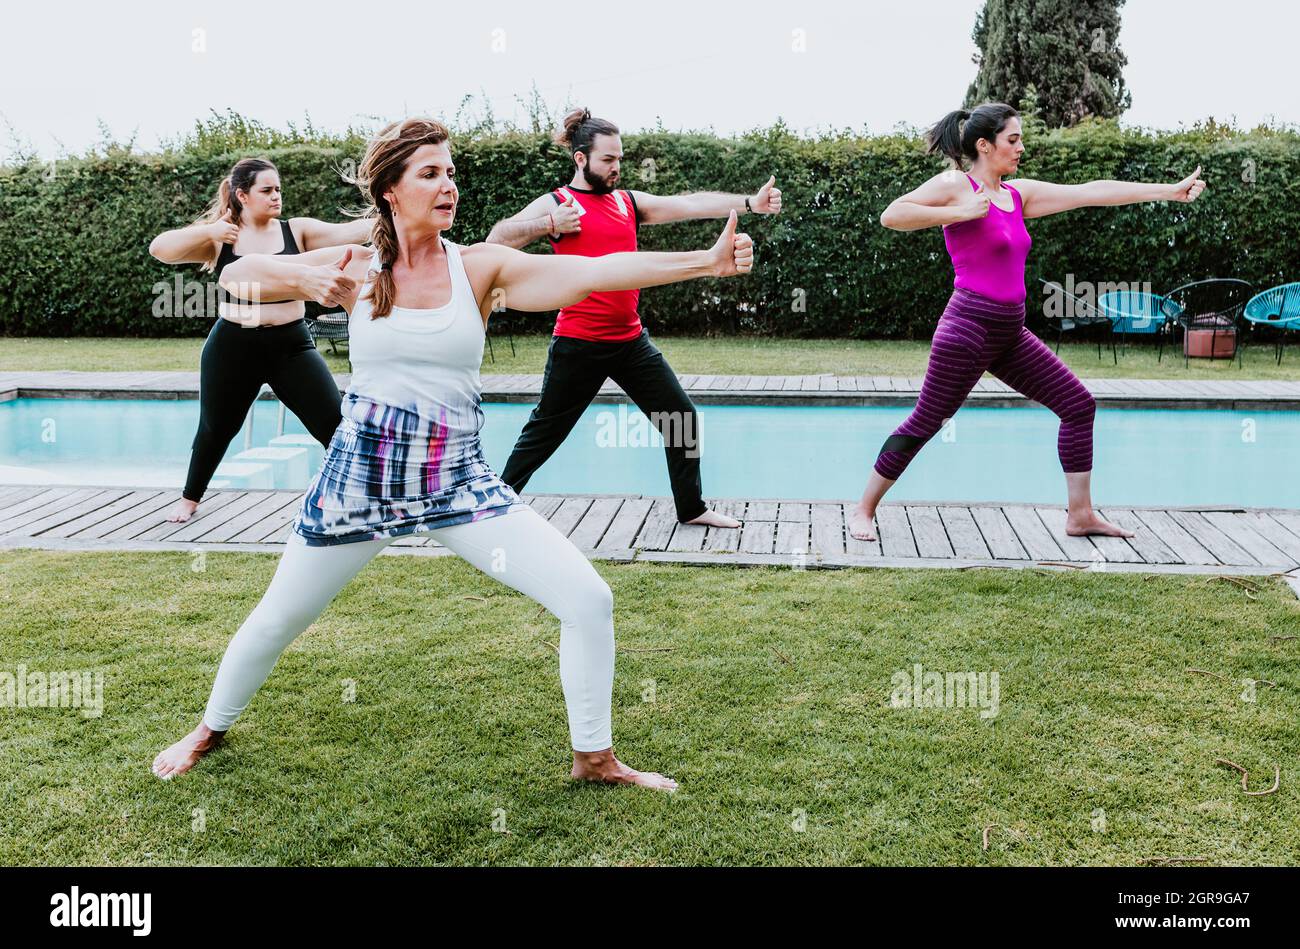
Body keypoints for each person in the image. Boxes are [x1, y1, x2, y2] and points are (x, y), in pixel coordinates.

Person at [152, 117, 755, 791]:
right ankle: (208, 728)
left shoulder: (480, 269)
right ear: (389, 190)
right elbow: (241, 276)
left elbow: (594, 271)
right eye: (430, 174)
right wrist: (314, 280)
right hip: (362, 483)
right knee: (278, 618)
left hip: (457, 486)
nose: (449, 187)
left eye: (451, 174)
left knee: (589, 599)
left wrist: (703, 261)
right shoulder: (355, 269)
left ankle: (596, 758)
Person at [848, 102, 1206, 542]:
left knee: (1078, 406)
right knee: (927, 421)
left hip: (1010, 333)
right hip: (967, 329)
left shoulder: (1017, 195)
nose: (1020, 148)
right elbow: (893, 214)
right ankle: (863, 509)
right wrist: (959, 213)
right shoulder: (955, 185)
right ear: (984, 145)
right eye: (1012, 140)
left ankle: (1080, 514)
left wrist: (1167, 191)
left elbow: (1089, 191)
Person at [485, 107, 782, 528]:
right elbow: (496, 239)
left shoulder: (627, 202)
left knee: (680, 419)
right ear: (581, 159)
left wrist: (750, 203)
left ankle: (692, 508)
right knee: (542, 435)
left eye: (620, 158)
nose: (616, 167)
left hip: (629, 342)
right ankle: (496, 507)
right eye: (608, 159)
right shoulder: (558, 203)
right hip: (578, 343)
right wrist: (548, 223)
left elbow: (688, 204)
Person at [148, 158, 373, 522]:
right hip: (234, 347)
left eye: (278, 189)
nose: (276, 197)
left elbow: (351, 231)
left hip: (291, 346)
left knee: (334, 422)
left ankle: (364, 494)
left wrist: (394, 213)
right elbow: (160, 248)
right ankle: (189, 499)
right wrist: (209, 233)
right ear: (242, 195)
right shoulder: (223, 238)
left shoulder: (295, 231)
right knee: (217, 427)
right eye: (266, 191)